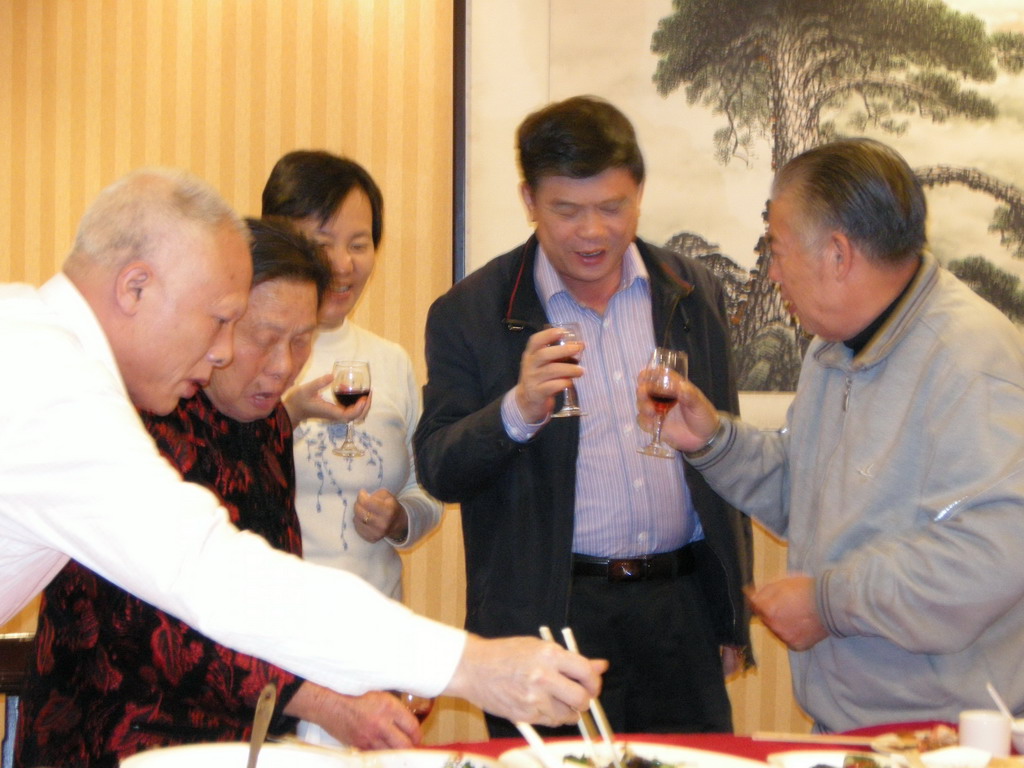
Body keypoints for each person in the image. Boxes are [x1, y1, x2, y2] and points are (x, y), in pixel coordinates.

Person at [0, 167, 605, 731]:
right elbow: (214, 574)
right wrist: (473, 666)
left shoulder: (36, 341)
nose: (221, 353)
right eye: (219, 322)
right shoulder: (49, 384)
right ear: (135, 287)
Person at [637, 137, 1024, 731]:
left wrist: (828, 604)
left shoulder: (970, 361)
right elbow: (806, 489)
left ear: (838, 254)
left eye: (778, 249)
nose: (771, 271)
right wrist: (712, 441)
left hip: (945, 737)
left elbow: (996, 554)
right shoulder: (832, 348)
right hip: (853, 727)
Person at [15, 219, 423, 768]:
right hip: (116, 733)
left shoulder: (269, 425)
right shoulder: (147, 419)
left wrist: (378, 661)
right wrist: (326, 700)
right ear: (218, 322)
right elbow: (155, 622)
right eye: (262, 336)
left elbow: (272, 588)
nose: (283, 364)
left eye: (302, 340)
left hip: (235, 740)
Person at [413, 95, 753, 736]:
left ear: (640, 194)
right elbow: (438, 468)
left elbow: (723, 462)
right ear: (529, 200)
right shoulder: (471, 311)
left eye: (612, 207)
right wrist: (516, 410)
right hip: (548, 616)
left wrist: (729, 613)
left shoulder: (691, 292)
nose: (593, 232)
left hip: (678, 607)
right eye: (567, 211)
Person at [261, 151, 443, 746]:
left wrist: (399, 518)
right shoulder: (248, 354)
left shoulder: (388, 361)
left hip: (371, 640)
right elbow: (221, 475)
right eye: (321, 241)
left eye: (359, 243)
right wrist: (288, 412)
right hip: (274, 648)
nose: (342, 264)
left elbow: (426, 492)